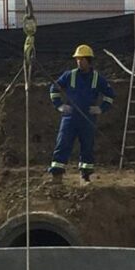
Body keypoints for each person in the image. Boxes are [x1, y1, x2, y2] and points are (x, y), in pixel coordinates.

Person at [48, 45, 114, 181]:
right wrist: (59, 106)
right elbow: (54, 88)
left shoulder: (97, 78)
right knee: (63, 143)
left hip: (87, 118)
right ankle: (57, 174)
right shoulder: (69, 75)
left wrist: (101, 108)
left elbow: (110, 95)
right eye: (77, 59)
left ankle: (85, 175)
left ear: (89, 60)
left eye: (82, 59)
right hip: (70, 117)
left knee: (87, 146)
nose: (79, 62)